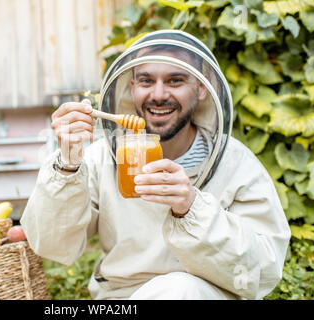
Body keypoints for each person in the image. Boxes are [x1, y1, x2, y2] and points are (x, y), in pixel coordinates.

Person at [20, 30, 291, 300]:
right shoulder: (100, 159)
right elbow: (53, 245)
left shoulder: (235, 163)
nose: (158, 95)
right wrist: (67, 165)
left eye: (175, 80)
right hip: (121, 299)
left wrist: (191, 207)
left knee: (181, 289)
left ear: (201, 89)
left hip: (204, 295)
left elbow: (263, 271)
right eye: (146, 81)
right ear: (132, 87)